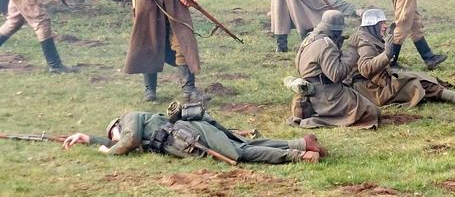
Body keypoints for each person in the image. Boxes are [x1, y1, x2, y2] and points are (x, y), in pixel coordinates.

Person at [62, 109, 327, 164]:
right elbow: (122, 141)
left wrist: (110, 151)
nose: (115, 139)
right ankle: (302, 143)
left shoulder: (131, 118)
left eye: (112, 135)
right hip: (191, 139)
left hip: (194, 134)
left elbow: (127, 142)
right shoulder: (137, 130)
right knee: (244, 145)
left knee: (241, 153)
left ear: (117, 125)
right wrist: (89, 138)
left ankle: (298, 156)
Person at [347, 9, 455, 108]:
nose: (385, 26)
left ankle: (453, 91)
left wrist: (387, 52)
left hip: (376, 83)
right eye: (381, 23)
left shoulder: (368, 37)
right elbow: (365, 69)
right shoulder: (365, 43)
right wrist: (386, 54)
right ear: (372, 25)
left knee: (418, 76)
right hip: (371, 89)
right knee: (415, 83)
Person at [288, 10, 381, 129]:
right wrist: (352, 51)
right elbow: (337, 75)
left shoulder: (310, 39)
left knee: (361, 101)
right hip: (327, 95)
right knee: (370, 112)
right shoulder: (326, 45)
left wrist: (337, 46)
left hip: (312, 89)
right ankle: (317, 118)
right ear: (336, 31)